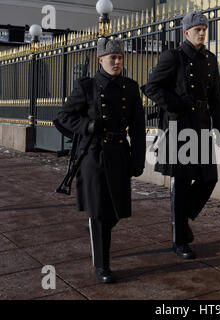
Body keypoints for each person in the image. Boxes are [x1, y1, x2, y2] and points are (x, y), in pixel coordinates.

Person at [55, 38, 146, 283]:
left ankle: (95, 232)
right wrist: (88, 125)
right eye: (112, 58)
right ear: (100, 60)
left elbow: (138, 127)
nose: (117, 62)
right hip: (93, 155)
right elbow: (63, 116)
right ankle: (102, 266)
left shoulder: (130, 87)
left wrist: (138, 159)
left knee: (116, 210)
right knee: (99, 211)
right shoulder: (87, 86)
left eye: (120, 57)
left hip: (119, 154)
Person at [143, 11, 220, 259]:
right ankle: (179, 239)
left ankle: (182, 220)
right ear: (186, 32)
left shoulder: (210, 59)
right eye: (197, 29)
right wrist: (177, 102)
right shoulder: (174, 57)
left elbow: (217, 98)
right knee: (181, 182)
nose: (201, 33)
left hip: (200, 125)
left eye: (204, 29)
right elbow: (151, 87)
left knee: (209, 178)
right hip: (178, 126)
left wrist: (219, 128)